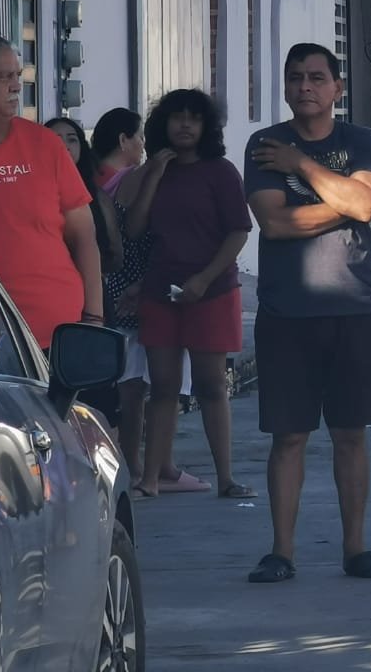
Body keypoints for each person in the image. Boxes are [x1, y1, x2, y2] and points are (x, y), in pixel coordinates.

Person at [243, 43, 371, 583]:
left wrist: (301, 167)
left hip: (352, 307)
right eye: (295, 78)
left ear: (337, 88)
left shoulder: (361, 142)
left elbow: (368, 204)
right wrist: (346, 203)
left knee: (351, 433)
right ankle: (281, 552)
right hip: (287, 312)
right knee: (289, 437)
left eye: (316, 78)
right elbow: (277, 225)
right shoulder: (263, 144)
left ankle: (356, 549)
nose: (305, 86)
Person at [121, 89, 255, 500]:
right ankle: (151, 477)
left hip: (213, 290)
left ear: (205, 126)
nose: (184, 125)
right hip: (161, 289)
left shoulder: (221, 171)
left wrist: (203, 278)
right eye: (176, 118)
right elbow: (134, 229)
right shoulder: (154, 170)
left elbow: (238, 231)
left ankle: (227, 478)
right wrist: (154, 175)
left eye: (192, 119)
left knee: (212, 385)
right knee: (162, 386)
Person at [91, 107, 203, 492]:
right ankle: (154, 467)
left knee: (132, 385)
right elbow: (143, 230)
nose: (140, 145)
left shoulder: (100, 180)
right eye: (135, 137)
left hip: (120, 286)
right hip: (145, 287)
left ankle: (137, 466)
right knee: (158, 385)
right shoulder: (146, 175)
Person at [0, 31, 103, 346]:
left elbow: (84, 235)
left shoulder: (44, 144)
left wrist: (94, 318)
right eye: (4, 77)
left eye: (17, 75)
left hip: (56, 328)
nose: (17, 85)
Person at [45, 117, 124, 426]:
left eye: (72, 139)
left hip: (92, 297)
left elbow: (114, 254)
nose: (64, 146)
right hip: (48, 302)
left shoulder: (97, 196)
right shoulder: (36, 192)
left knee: (98, 396)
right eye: (55, 139)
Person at [91, 107, 145, 189]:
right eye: (141, 137)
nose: (143, 143)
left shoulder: (90, 175)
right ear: (123, 140)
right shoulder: (118, 186)